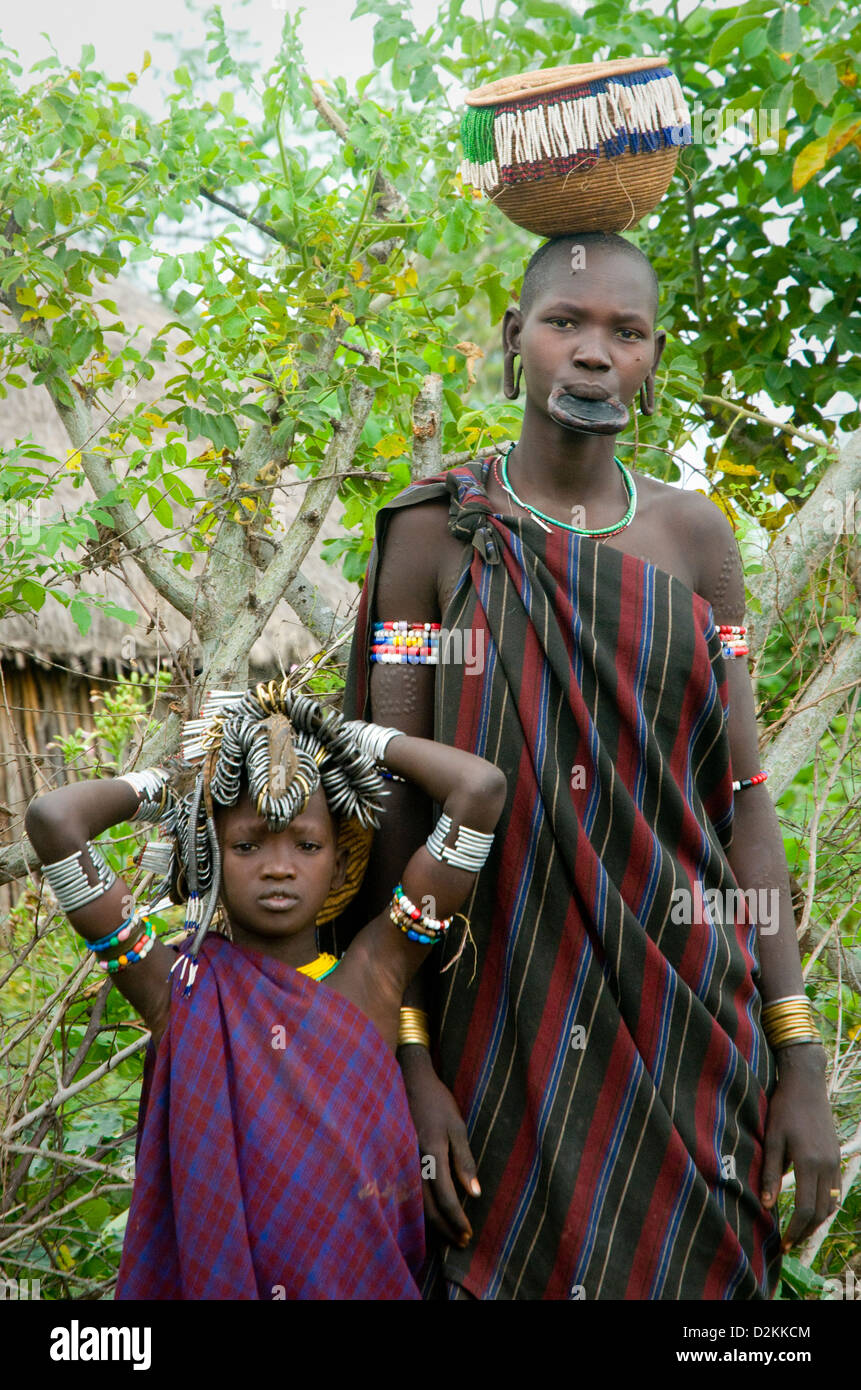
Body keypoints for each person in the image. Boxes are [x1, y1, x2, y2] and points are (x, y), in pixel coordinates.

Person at [343, 231, 843, 1300]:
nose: (593, 352)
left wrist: (795, 1047)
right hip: (495, 1031)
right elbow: (386, 807)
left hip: (686, 1021)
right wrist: (410, 1055)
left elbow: (743, 799)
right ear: (516, 337)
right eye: (566, 323)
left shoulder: (696, 541)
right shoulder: (433, 538)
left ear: (653, 361)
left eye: (627, 331)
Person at [23, 683, 506, 1300]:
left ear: (340, 858)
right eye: (246, 845)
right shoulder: (176, 989)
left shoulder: (375, 976)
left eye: (307, 845)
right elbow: (54, 822)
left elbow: (482, 790)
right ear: (210, 853)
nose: (279, 867)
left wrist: (348, 740)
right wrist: (177, 785)